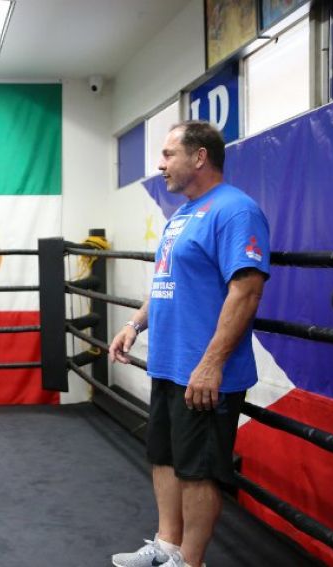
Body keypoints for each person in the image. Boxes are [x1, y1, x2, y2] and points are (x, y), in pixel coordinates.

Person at [108, 120, 270, 567]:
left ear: (199, 157)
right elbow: (167, 281)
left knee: (198, 472)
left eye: (168, 155)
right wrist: (135, 325)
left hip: (203, 372)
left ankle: (190, 561)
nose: (160, 166)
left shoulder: (236, 211)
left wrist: (211, 363)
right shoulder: (182, 215)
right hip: (167, 362)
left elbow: (246, 291)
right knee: (163, 456)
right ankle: (167, 545)